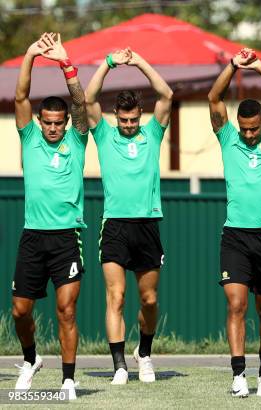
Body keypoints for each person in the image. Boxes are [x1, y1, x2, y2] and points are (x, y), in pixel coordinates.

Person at [207, 48, 261, 397]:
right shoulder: (228, 139)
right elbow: (214, 97)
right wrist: (232, 66)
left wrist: (258, 65)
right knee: (236, 304)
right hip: (235, 236)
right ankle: (239, 374)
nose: (248, 135)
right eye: (244, 129)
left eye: (253, 129)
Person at [85, 48, 173, 385]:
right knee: (116, 296)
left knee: (149, 299)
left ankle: (144, 353)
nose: (129, 125)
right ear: (115, 116)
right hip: (116, 226)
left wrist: (138, 63)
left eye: (134, 119)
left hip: (147, 225)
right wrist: (108, 63)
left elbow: (166, 93)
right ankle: (120, 365)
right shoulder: (105, 135)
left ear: (140, 115)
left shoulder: (152, 134)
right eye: (123, 120)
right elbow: (89, 97)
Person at [12, 32, 88, 400]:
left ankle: (68, 379)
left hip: (65, 237)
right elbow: (21, 96)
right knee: (19, 311)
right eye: (49, 122)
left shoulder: (77, 139)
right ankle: (31, 359)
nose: (55, 127)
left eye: (60, 122)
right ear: (40, 122)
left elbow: (81, 103)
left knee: (66, 309)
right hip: (33, 236)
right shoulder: (29, 139)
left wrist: (65, 64)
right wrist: (30, 55)